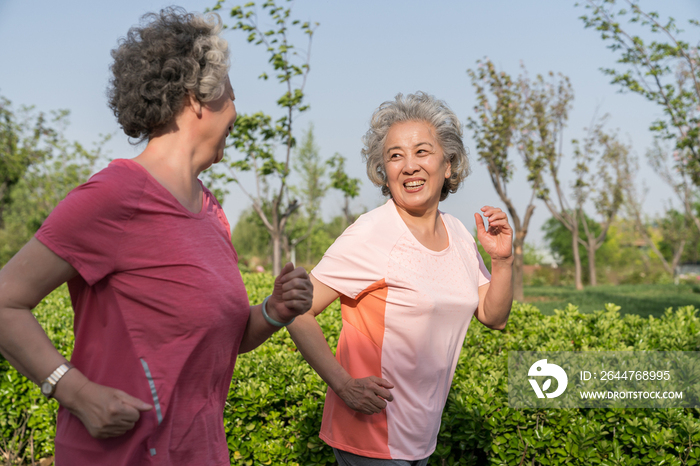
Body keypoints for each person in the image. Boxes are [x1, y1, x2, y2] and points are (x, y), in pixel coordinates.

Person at [0, 8, 312, 466]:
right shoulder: (114, 196)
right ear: (196, 98)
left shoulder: (212, 213)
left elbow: (216, 339)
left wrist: (274, 310)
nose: (236, 113)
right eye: (230, 96)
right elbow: (5, 301)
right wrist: (76, 392)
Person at [287, 92, 514, 465]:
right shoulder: (371, 233)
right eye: (395, 155)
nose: (409, 166)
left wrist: (502, 260)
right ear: (384, 170)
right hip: (370, 433)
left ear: (449, 165)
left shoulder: (458, 234)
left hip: (420, 435)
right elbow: (295, 311)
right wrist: (343, 385)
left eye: (422, 152)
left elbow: (494, 316)